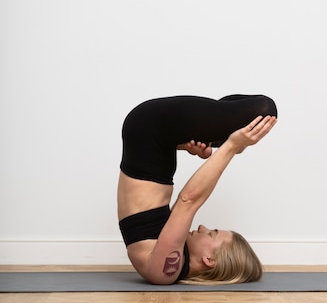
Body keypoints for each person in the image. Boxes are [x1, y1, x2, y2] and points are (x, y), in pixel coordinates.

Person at [117, 94, 278, 285]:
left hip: (150, 128)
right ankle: (219, 138)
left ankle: (225, 137)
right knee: (248, 118)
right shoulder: (175, 261)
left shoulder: (164, 271)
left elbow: (188, 200)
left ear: (209, 260)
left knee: (264, 110)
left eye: (211, 233)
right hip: (158, 141)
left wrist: (233, 147)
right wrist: (185, 145)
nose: (202, 227)